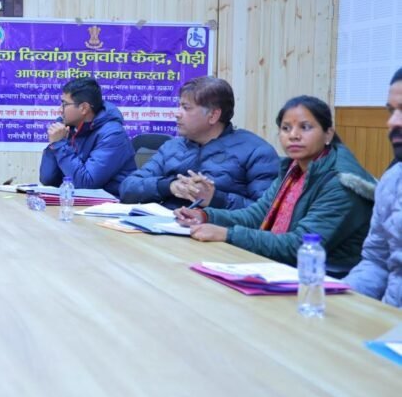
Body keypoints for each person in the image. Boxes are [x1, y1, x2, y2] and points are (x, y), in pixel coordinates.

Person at [175, 96, 375, 270]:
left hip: (326, 277)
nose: (293, 135)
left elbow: (301, 245)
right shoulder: (294, 168)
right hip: (283, 267)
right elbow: (257, 215)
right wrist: (206, 215)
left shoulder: (341, 182)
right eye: (286, 128)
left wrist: (228, 234)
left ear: (328, 134)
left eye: (305, 127)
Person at [119, 76, 279, 209]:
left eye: (186, 108)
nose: (177, 114)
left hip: (217, 234)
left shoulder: (256, 151)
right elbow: (127, 188)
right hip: (163, 228)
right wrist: (169, 186)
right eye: (179, 106)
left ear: (213, 116)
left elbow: (267, 213)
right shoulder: (172, 147)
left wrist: (215, 199)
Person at [345, 68, 402, 306]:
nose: (392, 122)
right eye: (391, 111)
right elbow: (376, 262)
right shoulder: (393, 181)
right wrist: (336, 301)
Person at [39, 78, 136, 195]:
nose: (60, 110)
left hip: (112, 201)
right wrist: (54, 144)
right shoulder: (70, 128)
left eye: (64, 104)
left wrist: (59, 144)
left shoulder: (113, 134)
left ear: (84, 108)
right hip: (79, 199)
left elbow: (86, 184)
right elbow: (48, 179)